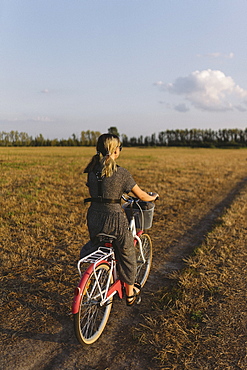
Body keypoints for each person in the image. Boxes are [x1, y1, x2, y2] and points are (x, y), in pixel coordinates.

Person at [83, 133, 159, 306]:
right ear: (115, 150)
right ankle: (131, 295)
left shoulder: (91, 171)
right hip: (115, 219)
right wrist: (153, 197)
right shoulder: (121, 173)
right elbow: (141, 196)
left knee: (99, 246)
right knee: (128, 254)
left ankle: (93, 276)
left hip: (94, 217)